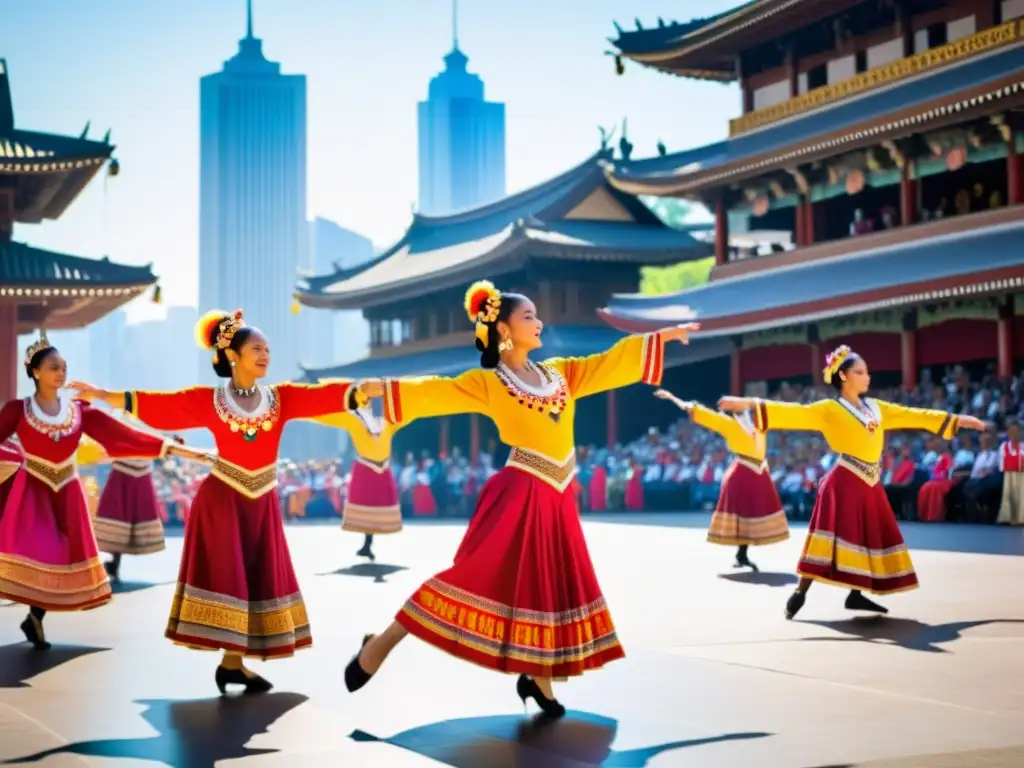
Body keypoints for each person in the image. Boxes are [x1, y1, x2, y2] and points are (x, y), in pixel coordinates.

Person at [342, 279, 697, 717]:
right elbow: (438, 391)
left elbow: (609, 363)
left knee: (544, 590)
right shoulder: (488, 382)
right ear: (505, 330)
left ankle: (538, 680)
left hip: (559, 497)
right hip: (519, 493)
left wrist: (658, 338)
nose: (540, 321)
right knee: (470, 579)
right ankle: (379, 645)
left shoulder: (562, 373)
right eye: (529, 315)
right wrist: (385, 387)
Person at [70, 308, 371, 694]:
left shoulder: (280, 399)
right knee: (231, 578)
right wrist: (104, 395)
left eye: (267, 349)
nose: (265, 355)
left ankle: (232, 664)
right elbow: (163, 404)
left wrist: (363, 391)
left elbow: (321, 396)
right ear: (233, 355)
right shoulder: (210, 401)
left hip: (260, 500)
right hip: (223, 500)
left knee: (252, 579)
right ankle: (232, 664)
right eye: (257, 349)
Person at [718, 344, 984, 620]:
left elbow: (913, 415)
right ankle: (801, 591)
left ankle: (856, 594)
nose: (867, 376)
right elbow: (794, 412)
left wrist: (957, 420)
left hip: (870, 481)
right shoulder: (829, 409)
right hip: (844, 480)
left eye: (867, 372)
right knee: (827, 540)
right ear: (843, 376)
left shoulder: (877, 409)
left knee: (866, 537)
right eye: (859, 371)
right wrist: (748, 403)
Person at [0, 333, 209, 650]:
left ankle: (34, 617)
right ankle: (34, 615)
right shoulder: (18, 410)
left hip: (67, 492)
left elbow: (125, 437)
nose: (61, 373)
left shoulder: (78, 411)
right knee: (39, 550)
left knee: (60, 557)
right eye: (54, 367)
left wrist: (182, 451)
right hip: (33, 492)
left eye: (64, 367)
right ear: (36, 372)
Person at [654, 389, 788, 571]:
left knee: (751, 514)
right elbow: (697, 410)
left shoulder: (759, 425)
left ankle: (742, 554)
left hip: (758, 472)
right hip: (743, 472)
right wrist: (672, 398)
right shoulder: (729, 424)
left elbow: (772, 410)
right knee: (743, 514)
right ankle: (742, 554)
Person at [88, 419, 180, 582]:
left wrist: (174, 443)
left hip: (138, 479)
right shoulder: (121, 431)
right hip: (123, 478)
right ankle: (111, 564)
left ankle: (113, 565)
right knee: (117, 521)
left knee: (129, 522)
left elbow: (166, 443)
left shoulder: (149, 432)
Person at [312, 401, 402, 562]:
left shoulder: (385, 424)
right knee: (366, 506)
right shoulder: (355, 422)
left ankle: (368, 543)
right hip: (367, 467)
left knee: (374, 507)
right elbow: (332, 417)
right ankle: (367, 543)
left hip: (378, 469)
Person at [997, 420, 1024, 525]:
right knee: (1008, 493)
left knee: (1022, 495)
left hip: (1022, 474)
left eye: (1016, 431)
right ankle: (1007, 517)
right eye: (1011, 430)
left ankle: (1021, 517)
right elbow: (1001, 460)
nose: (1014, 433)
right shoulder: (1004, 446)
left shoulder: (1022, 446)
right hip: (1009, 473)